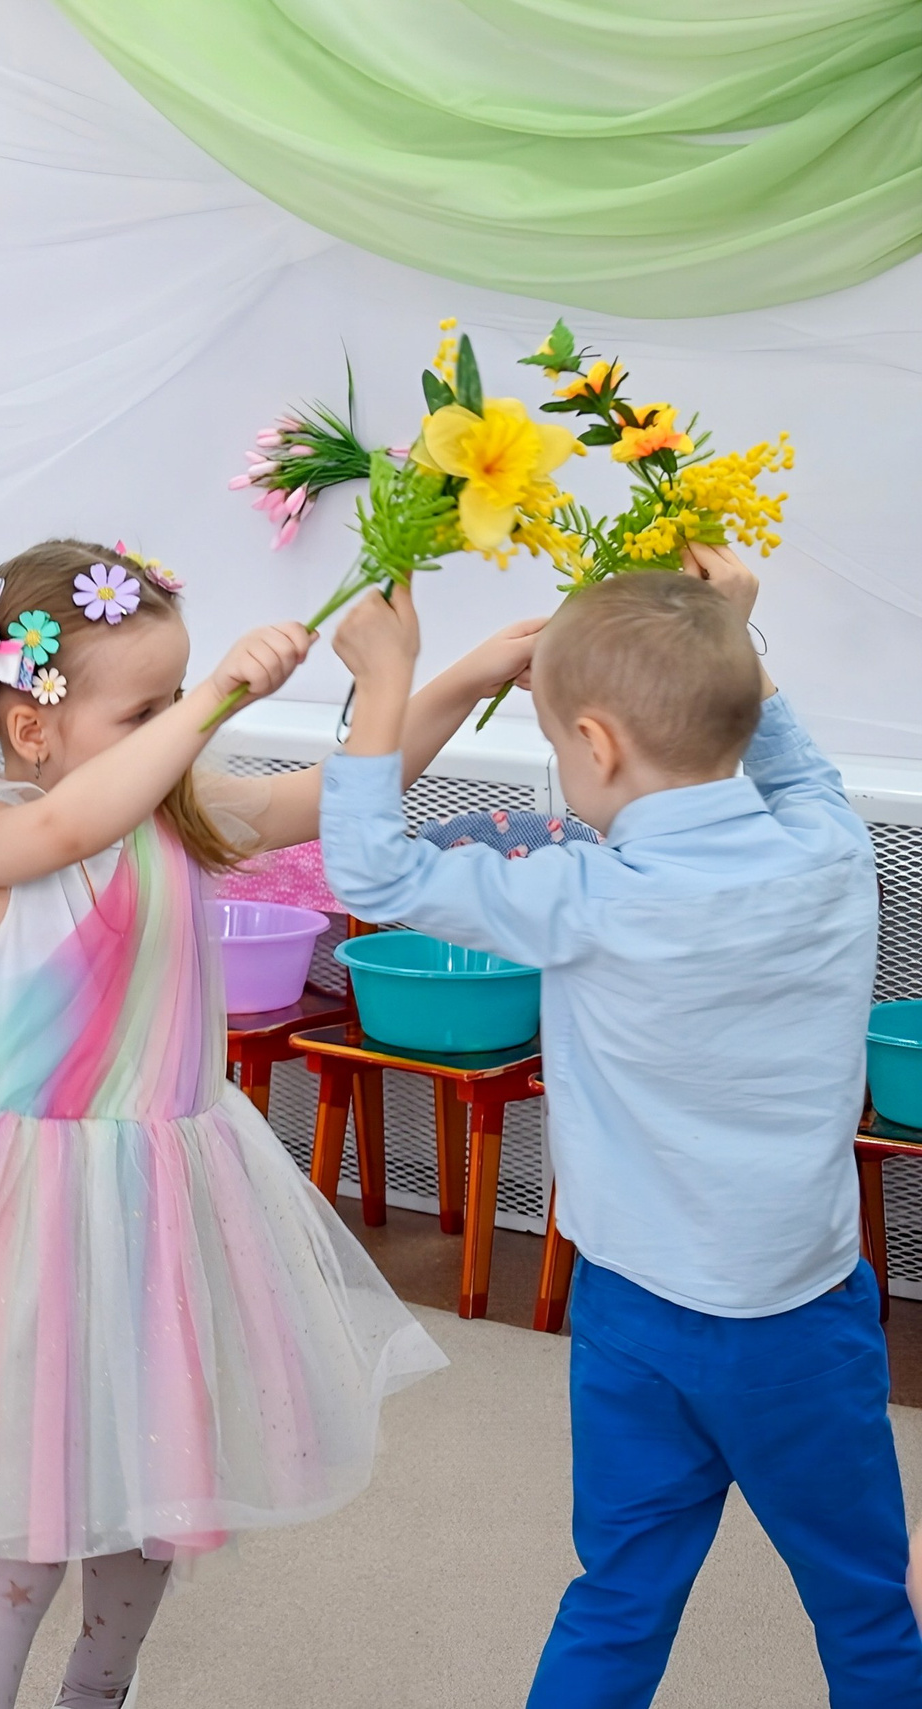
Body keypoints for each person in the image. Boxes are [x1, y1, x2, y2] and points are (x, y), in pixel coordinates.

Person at [0, 544, 468, 1709]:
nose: (181, 728)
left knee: (153, 1508)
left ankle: (96, 1692)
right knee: (15, 1545)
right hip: (25, 1227)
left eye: (174, 697)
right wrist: (214, 695)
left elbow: (336, 793)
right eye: (146, 709)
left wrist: (433, 677)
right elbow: (66, 828)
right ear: (32, 728)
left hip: (162, 1210)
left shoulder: (172, 817)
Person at [325, 551, 922, 1707]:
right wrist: (731, 635)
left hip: (633, 1312)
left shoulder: (582, 894)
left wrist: (387, 681)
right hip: (800, 1318)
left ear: (595, 745)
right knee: (863, 1601)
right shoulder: (835, 852)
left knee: (618, 1592)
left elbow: (370, 869)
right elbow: (798, 769)